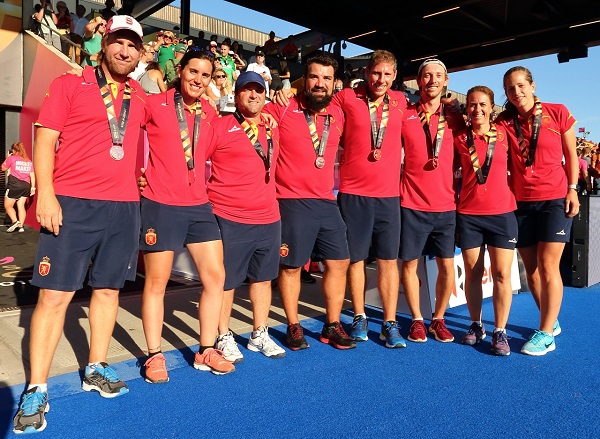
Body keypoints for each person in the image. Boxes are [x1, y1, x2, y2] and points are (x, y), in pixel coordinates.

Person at [12, 15, 146, 435]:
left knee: (108, 291)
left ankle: (95, 366)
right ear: (103, 45)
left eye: (132, 46)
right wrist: (45, 194)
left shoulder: (141, 95)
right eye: (118, 43)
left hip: (124, 208)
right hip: (72, 203)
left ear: (141, 54)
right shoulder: (70, 84)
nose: (124, 51)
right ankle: (36, 387)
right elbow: (45, 139)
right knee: (55, 297)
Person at [139, 50, 234, 383]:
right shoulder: (154, 103)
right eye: (193, 72)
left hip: (198, 205)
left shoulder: (210, 112)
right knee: (157, 284)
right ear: (180, 71)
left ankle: (206, 349)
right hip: (160, 204)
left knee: (215, 279)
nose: (198, 80)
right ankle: (153, 355)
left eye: (205, 75)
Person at [265, 52, 355, 351]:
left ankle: (332, 324)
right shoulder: (283, 106)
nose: (320, 84)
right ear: (305, 78)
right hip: (291, 200)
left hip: (326, 201)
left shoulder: (339, 113)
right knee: (291, 267)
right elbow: (252, 117)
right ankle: (293, 325)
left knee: (339, 262)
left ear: (334, 83)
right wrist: (282, 91)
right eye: (314, 77)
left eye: (327, 78)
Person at [496, 66, 579, 356]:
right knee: (530, 270)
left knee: (548, 265)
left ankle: (545, 333)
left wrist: (573, 189)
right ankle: (550, 319)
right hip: (520, 202)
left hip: (555, 199)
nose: (516, 92)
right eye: (510, 88)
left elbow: (571, 155)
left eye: (521, 85)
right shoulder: (504, 122)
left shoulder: (557, 112)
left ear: (532, 85)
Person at [208, 71, 286, 362]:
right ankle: (223, 334)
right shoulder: (220, 126)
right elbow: (190, 157)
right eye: (247, 90)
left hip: (268, 215)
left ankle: (259, 333)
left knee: (263, 279)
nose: (253, 95)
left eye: (259, 90)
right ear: (237, 94)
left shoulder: (271, 126)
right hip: (230, 216)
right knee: (227, 282)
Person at [332, 50, 408, 348]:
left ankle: (389, 322)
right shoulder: (348, 98)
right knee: (356, 260)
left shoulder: (401, 101)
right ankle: (360, 315)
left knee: (389, 261)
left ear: (394, 76)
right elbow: (318, 101)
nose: (382, 79)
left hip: (389, 196)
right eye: (377, 73)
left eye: (388, 74)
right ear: (367, 72)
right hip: (354, 193)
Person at [400, 58, 463, 344]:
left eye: (438, 75)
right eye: (427, 76)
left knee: (447, 267)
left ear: (446, 80)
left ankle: (438, 318)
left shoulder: (456, 118)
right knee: (410, 265)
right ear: (418, 80)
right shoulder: (404, 114)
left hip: (446, 205)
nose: (432, 80)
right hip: (411, 203)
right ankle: (416, 319)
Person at [453, 85, 517, 356]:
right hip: (469, 215)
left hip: (502, 214)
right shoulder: (458, 137)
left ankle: (499, 330)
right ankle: (476, 324)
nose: (477, 109)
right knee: (473, 274)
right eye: (472, 105)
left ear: (492, 108)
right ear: (466, 108)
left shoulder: (505, 135)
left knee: (502, 274)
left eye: (482, 105)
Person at [2, 141, 35, 233]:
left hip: (14, 185)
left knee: (8, 205)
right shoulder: (28, 161)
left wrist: (7, 158)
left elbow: (3, 168)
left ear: (13, 150)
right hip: (26, 186)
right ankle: (21, 226)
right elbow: (32, 175)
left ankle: (15, 221)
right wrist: (33, 187)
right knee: (21, 206)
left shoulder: (12, 158)